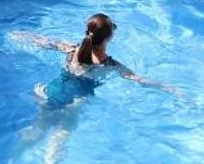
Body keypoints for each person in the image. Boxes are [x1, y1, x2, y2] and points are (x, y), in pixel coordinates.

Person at [21, 14, 180, 107]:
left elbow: (45, 42)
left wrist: (20, 35)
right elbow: (137, 79)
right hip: (74, 101)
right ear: (109, 37)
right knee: (60, 137)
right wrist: (169, 87)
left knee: (37, 128)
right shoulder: (111, 65)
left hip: (51, 90)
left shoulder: (71, 49)